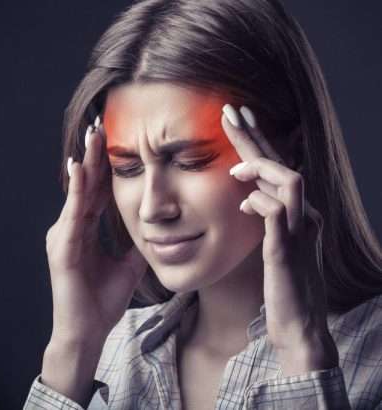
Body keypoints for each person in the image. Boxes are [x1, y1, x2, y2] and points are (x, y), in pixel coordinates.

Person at [23, 0, 382, 409]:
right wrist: (72, 351)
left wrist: (303, 348)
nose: (152, 209)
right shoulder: (112, 353)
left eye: (191, 161)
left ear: (292, 149)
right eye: (126, 167)